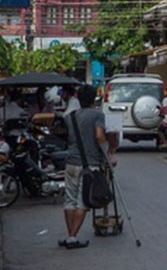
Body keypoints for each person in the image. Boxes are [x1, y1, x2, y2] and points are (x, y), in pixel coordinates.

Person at [59, 85, 116, 250]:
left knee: (69, 200)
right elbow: (99, 135)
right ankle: (72, 237)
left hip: (71, 162)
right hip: (89, 164)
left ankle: (70, 235)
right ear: (93, 100)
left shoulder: (70, 116)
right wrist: (107, 150)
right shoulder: (97, 115)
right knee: (82, 201)